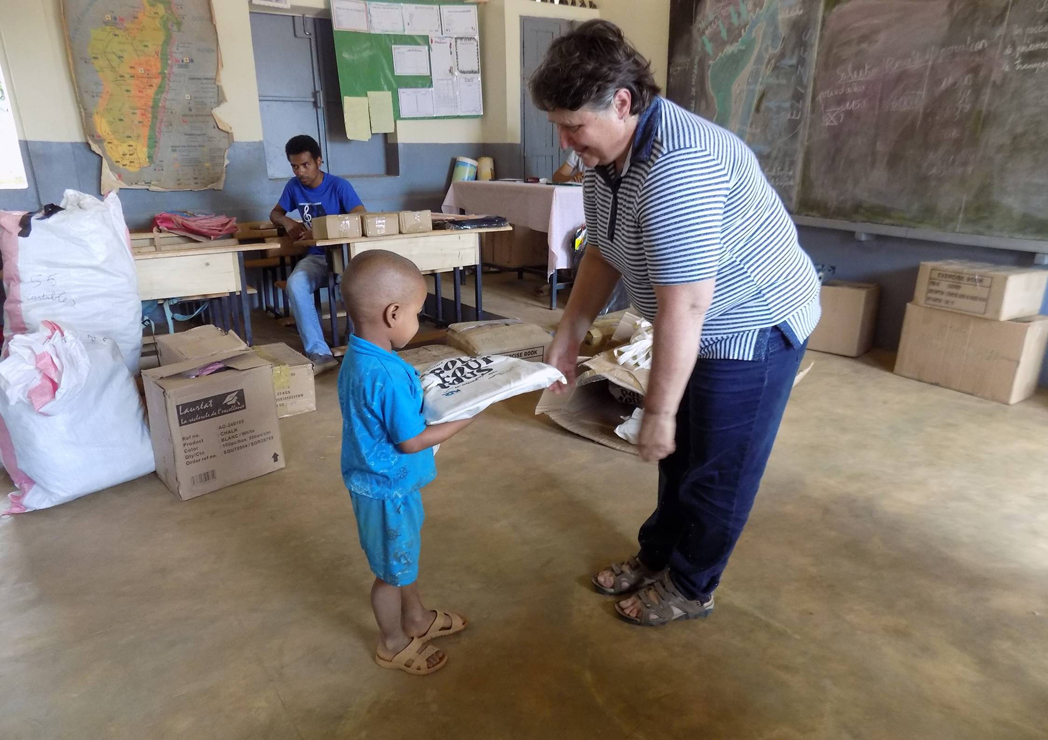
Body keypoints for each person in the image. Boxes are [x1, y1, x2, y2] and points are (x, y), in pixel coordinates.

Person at [529, 20, 821, 627]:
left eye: (572, 125)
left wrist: (658, 410)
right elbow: (604, 250)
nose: (564, 141)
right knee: (677, 457)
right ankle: (657, 553)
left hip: (751, 325)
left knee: (715, 464)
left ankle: (691, 585)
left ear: (622, 102)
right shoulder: (605, 156)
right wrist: (567, 334)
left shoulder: (678, 168)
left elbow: (684, 306)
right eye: (558, 125)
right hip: (694, 318)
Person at [338, 249, 474, 675]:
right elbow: (412, 441)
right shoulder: (388, 374)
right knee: (388, 574)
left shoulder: (361, 356)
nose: (420, 321)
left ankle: (415, 619)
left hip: (381, 484)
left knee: (402, 560)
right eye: (418, 312)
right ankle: (392, 642)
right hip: (386, 491)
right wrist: (466, 415)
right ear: (393, 313)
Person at [270, 135, 366, 375]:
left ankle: (358, 345)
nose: (300, 171)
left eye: (305, 165)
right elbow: (275, 213)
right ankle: (319, 353)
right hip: (317, 258)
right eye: (294, 166)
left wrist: (323, 229)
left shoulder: (339, 186)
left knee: (354, 284)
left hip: (344, 256)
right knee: (296, 284)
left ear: (319, 161)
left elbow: (361, 215)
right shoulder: (293, 187)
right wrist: (287, 221)